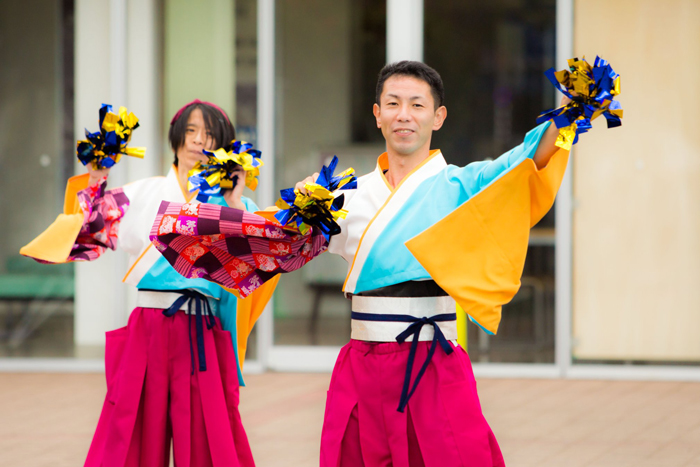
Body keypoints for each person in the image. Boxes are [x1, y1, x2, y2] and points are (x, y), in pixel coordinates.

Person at [149, 62, 571, 467]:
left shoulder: (461, 185)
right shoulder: (344, 194)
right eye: (393, 103)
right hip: (364, 362)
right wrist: (197, 225)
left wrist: (570, 115)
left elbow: (519, 164)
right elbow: (277, 238)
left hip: (434, 358)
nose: (404, 115)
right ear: (377, 114)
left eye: (417, 105)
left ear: (438, 117)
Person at [20, 100, 277, 467]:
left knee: (207, 443)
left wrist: (234, 201)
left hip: (201, 330)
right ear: (175, 139)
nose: (197, 141)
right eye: (189, 131)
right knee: (132, 435)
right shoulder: (145, 192)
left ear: (223, 146)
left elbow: (251, 267)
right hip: (149, 327)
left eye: (208, 134)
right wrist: (96, 176)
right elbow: (91, 229)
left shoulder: (235, 205)